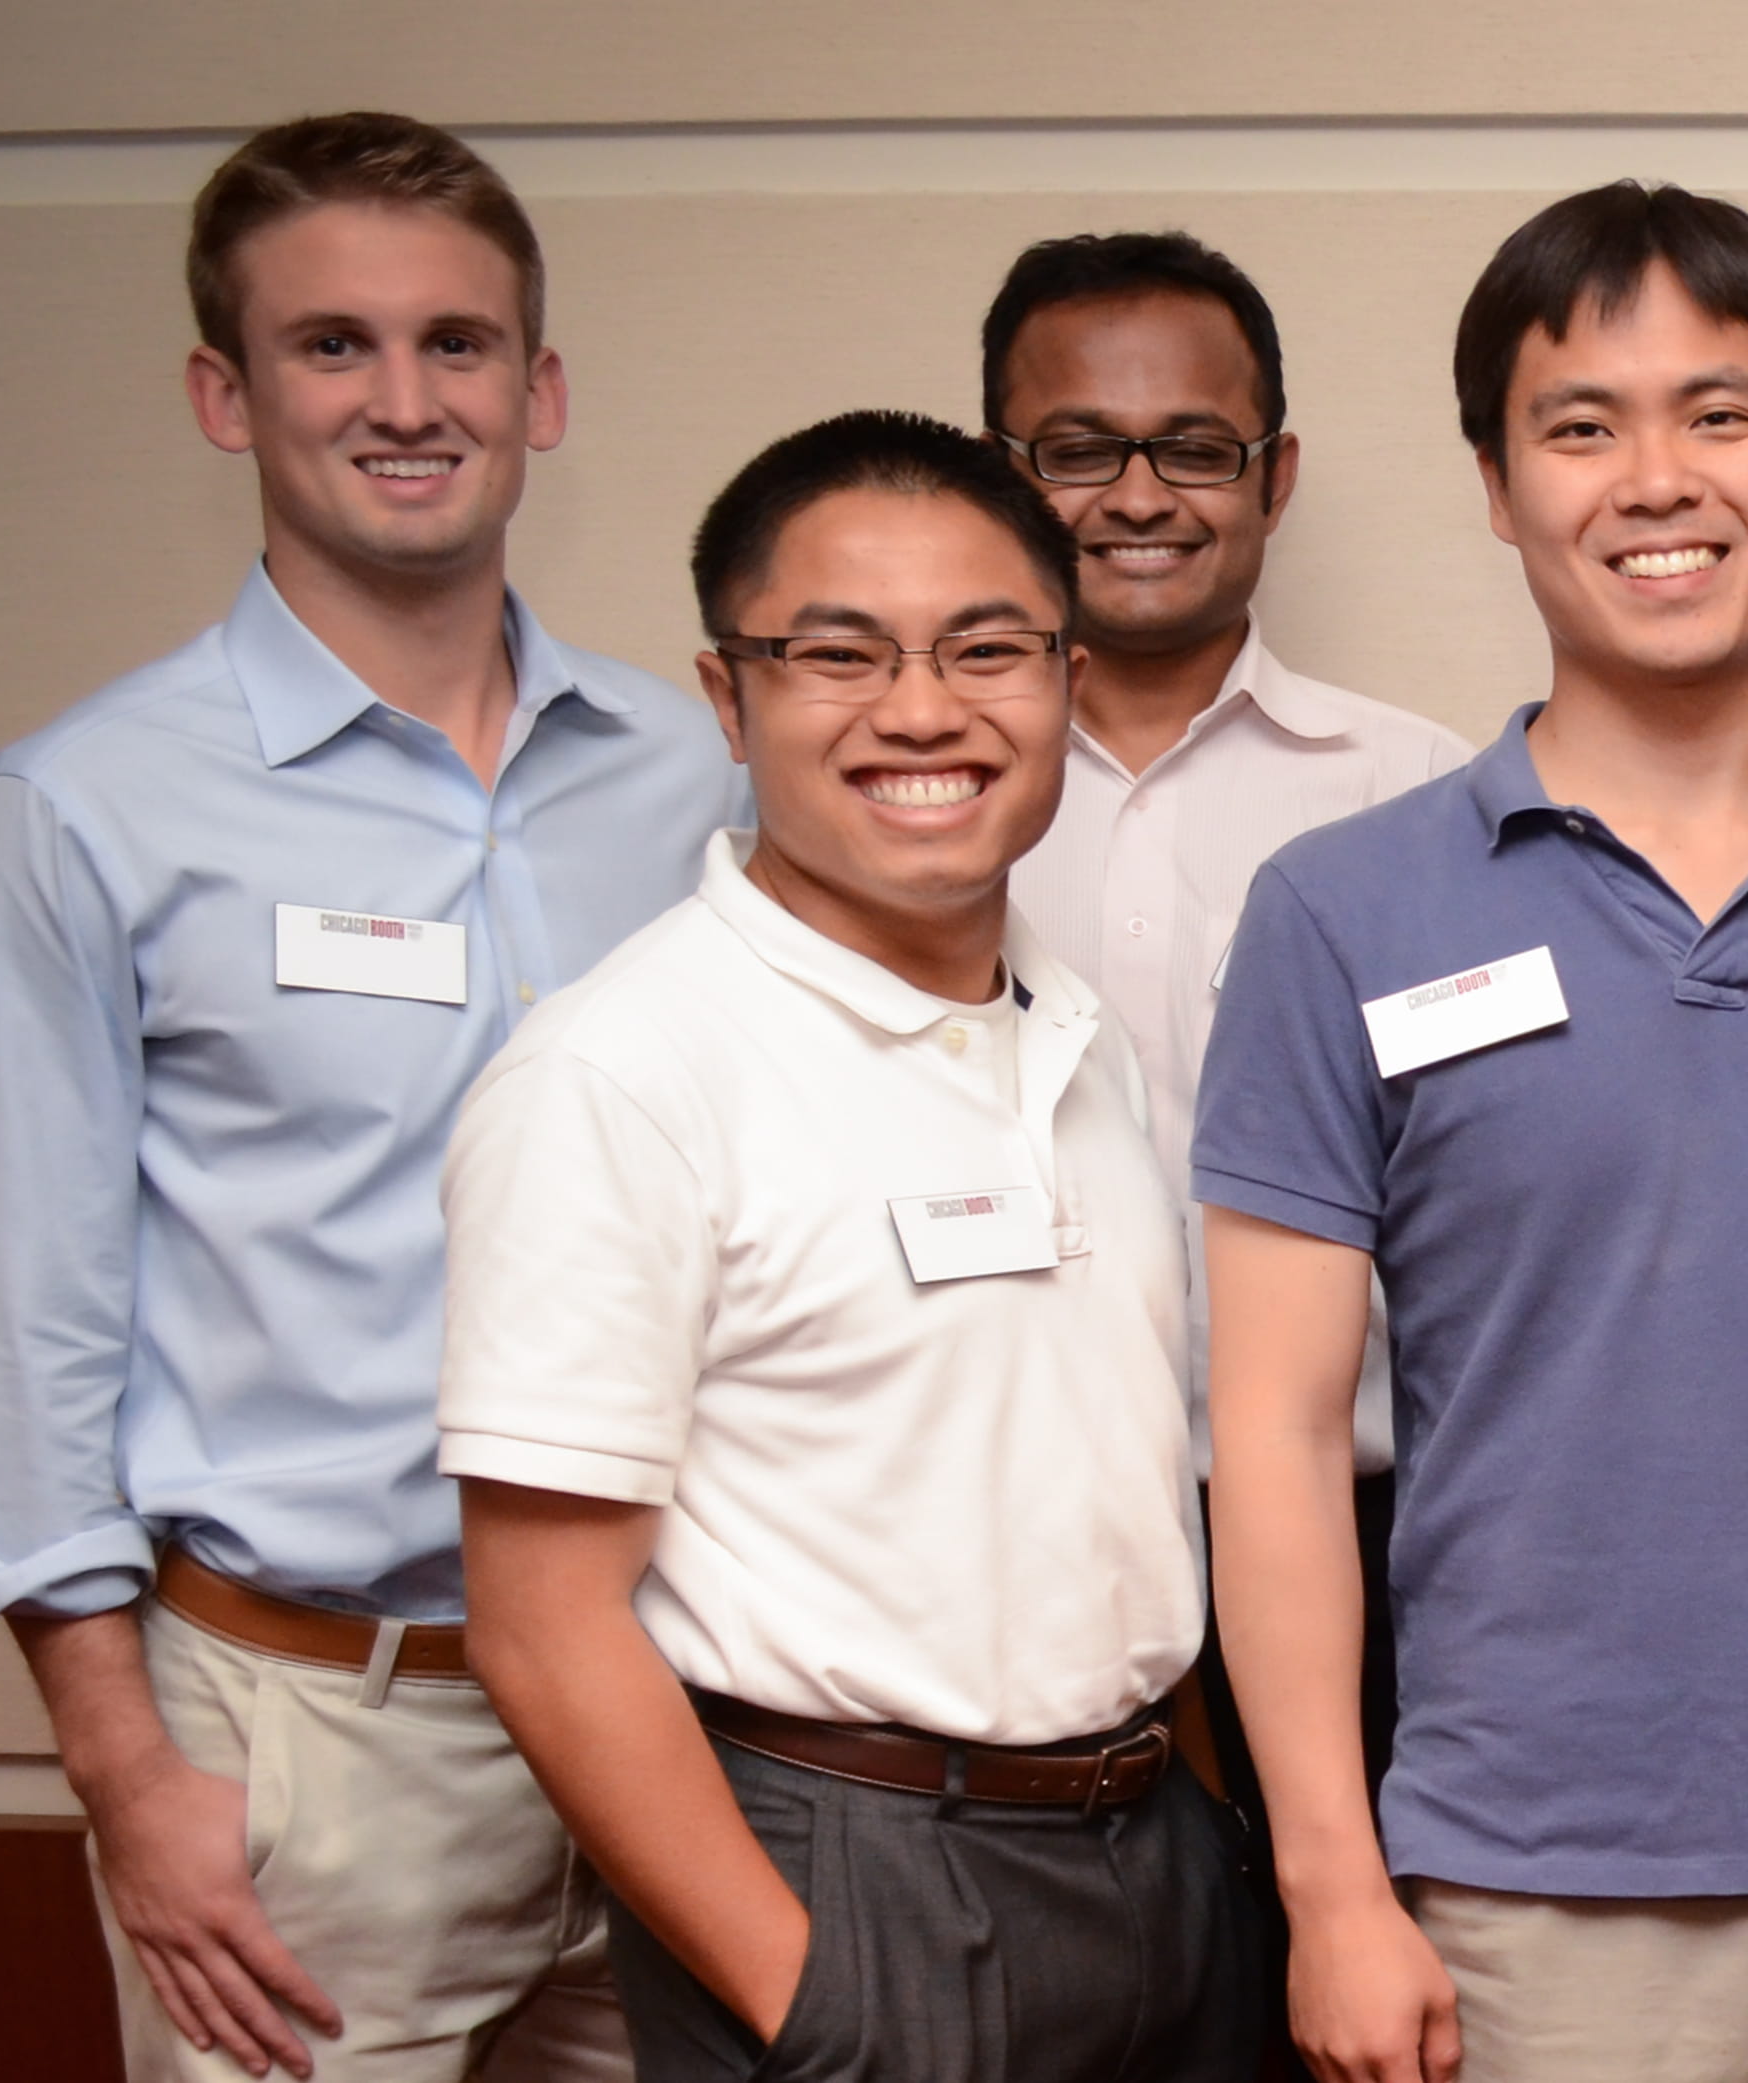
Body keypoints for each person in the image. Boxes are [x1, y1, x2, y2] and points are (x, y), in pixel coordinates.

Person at [1194, 181, 1748, 2083]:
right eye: (1581, 425)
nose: (1656, 479)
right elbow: (1269, 1433)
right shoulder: (1342, 909)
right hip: (1527, 1891)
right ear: (1497, 485)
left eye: (1720, 412)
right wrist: (1335, 1886)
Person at [0, 112, 735, 2083]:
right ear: (223, 394)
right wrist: (124, 1770)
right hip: (310, 1736)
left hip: (668, 1708)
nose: (405, 402)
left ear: (539, 387)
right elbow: (31, 1317)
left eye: (457, 345)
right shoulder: (86, 809)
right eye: (334, 346)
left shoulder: (694, 777)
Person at [438, 409, 1252, 2083]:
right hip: (856, 1865)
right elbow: (540, 1621)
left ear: (1069, 680)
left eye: (987, 647)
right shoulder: (625, 1071)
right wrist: (809, 1991)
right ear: (728, 698)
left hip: (1148, 1853)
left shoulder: (1076, 1039)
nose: (922, 709)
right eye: (839, 652)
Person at [981, 226, 1474, 1800]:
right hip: (996, 1541)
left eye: (1195, 447)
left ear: (1276, 473)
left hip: (1374, 1543)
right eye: (1075, 450)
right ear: (998, 471)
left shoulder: (1418, 792)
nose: (1138, 496)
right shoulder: (907, 791)